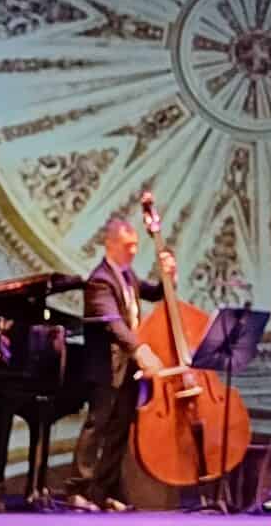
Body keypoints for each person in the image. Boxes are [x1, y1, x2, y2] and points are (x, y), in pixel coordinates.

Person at [61, 217, 176, 511]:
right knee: (97, 427)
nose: (134, 251)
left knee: (119, 431)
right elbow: (113, 323)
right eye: (128, 245)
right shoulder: (100, 280)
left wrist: (168, 276)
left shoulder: (126, 275)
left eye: (136, 245)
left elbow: (155, 293)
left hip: (127, 370)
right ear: (110, 244)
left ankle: (104, 491)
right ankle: (77, 490)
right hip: (105, 368)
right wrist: (140, 349)